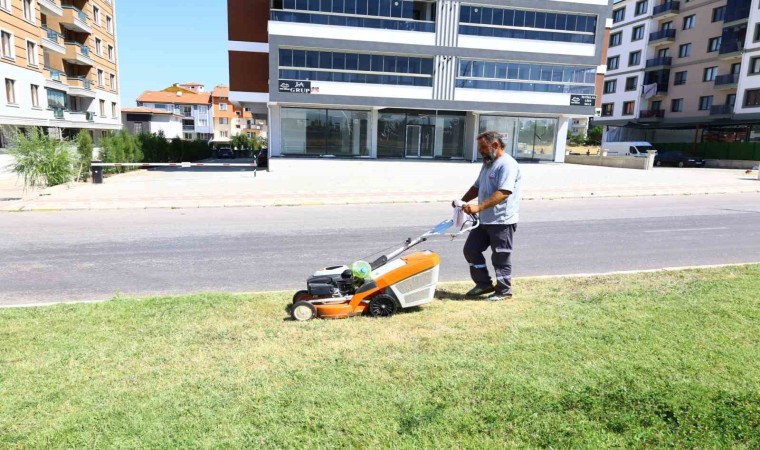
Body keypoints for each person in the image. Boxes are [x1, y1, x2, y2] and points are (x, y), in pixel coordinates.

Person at [455, 130, 522, 301]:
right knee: (471, 250)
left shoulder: (507, 165)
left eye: (483, 147)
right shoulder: (487, 163)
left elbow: (504, 192)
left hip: (501, 221)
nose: (481, 151)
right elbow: (477, 187)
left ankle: (504, 291)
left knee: (500, 256)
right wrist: (461, 202)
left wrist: (479, 207)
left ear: (495, 145)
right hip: (485, 219)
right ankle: (483, 283)